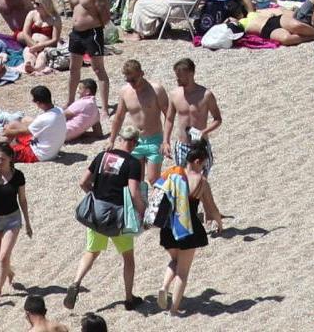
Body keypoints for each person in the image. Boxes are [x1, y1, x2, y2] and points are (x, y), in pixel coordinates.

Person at [67, 128, 148, 311]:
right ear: (134, 142)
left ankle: (76, 282)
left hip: (96, 213)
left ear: (120, 139)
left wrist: (94, 196)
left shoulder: (102, 156)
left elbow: (83, 182)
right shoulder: (133, 163)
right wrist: (143, 212)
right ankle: (128, 298)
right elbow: (134, 192)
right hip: (118, 217)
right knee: (128, 258)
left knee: (91, 252)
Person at [150, 141, 210, 312]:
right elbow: (211, 208)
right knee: (183, 272)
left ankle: (164, 286)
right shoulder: (201, 181)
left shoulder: (172, 174)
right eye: (204, 164)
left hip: (168, 227)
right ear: (197, 162)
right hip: (187, 229)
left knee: (175, 260)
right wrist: (219, 222)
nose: (204, 168)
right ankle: (174, 310)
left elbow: (155, 192)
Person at [0, 140, 31, 295]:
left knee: (3, 257)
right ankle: (9, 272)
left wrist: (28, 223)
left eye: (2, 159)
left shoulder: (18, 176)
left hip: (12, 219)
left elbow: (22, 199)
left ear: (10, 158)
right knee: (0, 258)